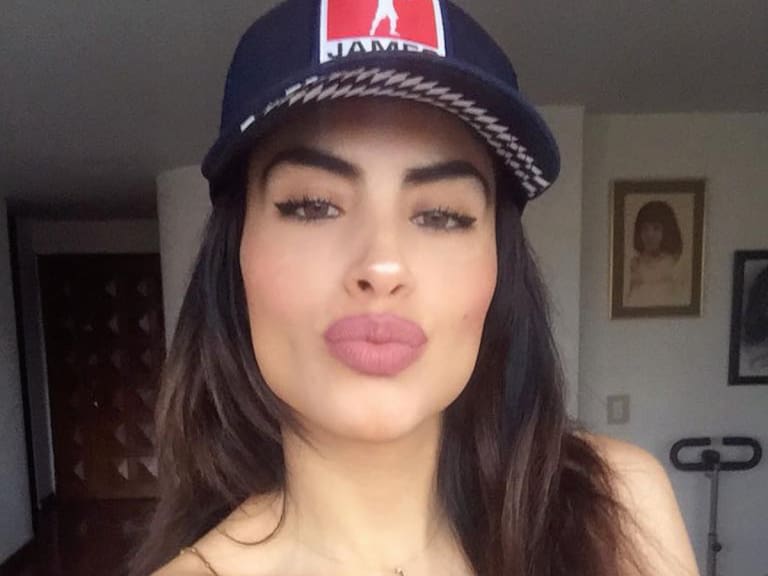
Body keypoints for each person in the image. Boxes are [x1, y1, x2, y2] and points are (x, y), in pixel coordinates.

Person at [131, 0, 700, 574]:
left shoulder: (618, 512)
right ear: (236, 255)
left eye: (443, 215)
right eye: (312, 205)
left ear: (499, 266)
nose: (382, 265)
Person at [626, 200, 688, 307]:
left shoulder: (676, 266)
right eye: (645, 228)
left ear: (667, 232)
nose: (650, 234)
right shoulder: (634, 265)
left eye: (656, 228)